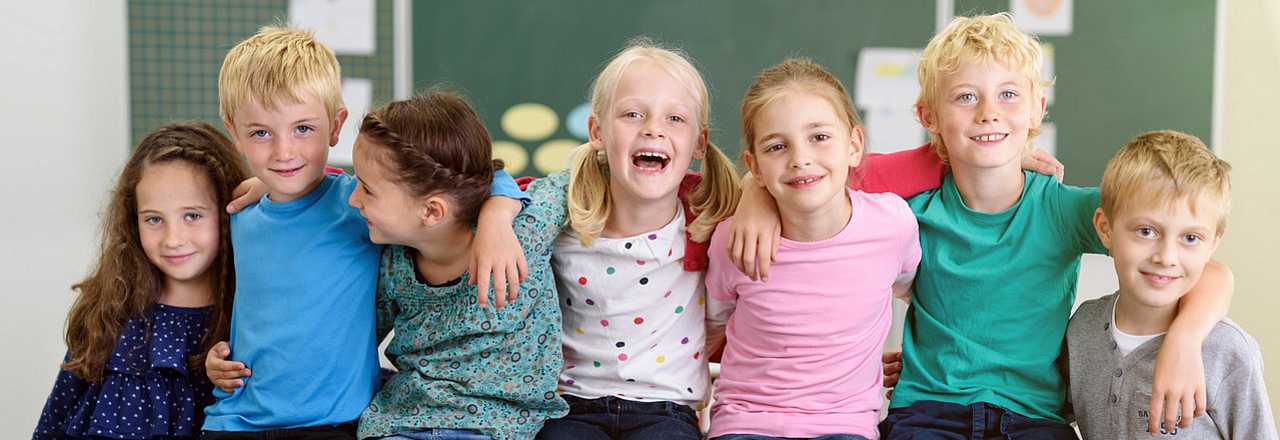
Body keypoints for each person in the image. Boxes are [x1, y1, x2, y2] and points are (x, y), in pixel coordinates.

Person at [729, 13, 1234, 439]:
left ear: (1037, 108)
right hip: (927, 414)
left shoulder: (1063, 210)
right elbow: (820, 170)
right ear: (929, 116)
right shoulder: (909, 211)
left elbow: (1209, 270)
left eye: (1009, 95)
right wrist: (754, 192)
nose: (990, 113)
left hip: (1034, 418)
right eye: (966, 98)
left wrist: (1185, 340)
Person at [199, 26, 527, 439]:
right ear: (235, 134)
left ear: (335, 126)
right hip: (236, 420)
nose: (283, 152)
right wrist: (217, 358)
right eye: (261, 133)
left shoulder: (361, 207)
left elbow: (477, 179)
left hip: (333, 423)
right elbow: (243, 314)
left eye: (303, 129)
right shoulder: (238, 216)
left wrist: (496, 219)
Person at [703, 58, 920, 440]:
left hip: (845, 425)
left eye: (819, 137)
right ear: (753, 166)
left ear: (854, 146)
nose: (800, 158)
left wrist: (913, 360)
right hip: (746, 423)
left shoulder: (893, 225)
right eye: (776, 146)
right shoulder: (733, 240)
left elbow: (913, 291)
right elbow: (714, 322)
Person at [346, 91, 567, 440]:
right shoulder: (393, 262)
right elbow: (351, 341)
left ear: (432, 211)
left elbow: (573, 180)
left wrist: (497, 213)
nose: (353, 198)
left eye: (367, 191)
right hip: (399, 423)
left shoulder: (523, 234)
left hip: (497, 427)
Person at [33, 122, 250, 439]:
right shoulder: (109, 310)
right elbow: (55, 419)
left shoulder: (249, 314)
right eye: (154, 219)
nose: (173, 239)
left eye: (192, 215)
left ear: (227, 211)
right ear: (133, 221)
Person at [1067, 130, 1276, 439]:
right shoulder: (1081, 330)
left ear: (1213, 243)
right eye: (1146, 231)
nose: (1166, 257)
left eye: (1190, 238)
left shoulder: (1228, 352)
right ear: (1105, 229)